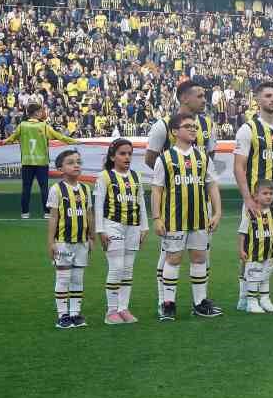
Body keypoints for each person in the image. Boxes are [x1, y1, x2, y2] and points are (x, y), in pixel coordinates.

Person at [153, 112, 223, 319]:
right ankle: (168, 304)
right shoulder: (165, 158)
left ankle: (199, 303)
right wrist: (156, 217)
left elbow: (211, 185)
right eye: (188, 126)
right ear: (174, 132)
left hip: (200, 217)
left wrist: (217, 213)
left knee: (199, 258)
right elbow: (156, 189)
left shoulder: (202, 157)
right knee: (173, 259)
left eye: (194, 126)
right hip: (173, 218)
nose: (193, 129)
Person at [96, 138, 146, 324]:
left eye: (129, 154)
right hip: (112, 225)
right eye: (122, 153)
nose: (127, 157)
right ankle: (111, 312)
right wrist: (100, 230)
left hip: (133, 227)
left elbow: (141, 203)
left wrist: (144, 227)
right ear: (112, 156)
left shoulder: (136, 176)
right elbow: (99, 205)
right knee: (116, 267)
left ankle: (123, 308)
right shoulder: (105, 177)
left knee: (127, 269)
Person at [233, 80, 273, 213]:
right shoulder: (248, 129)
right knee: (254, 234)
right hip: (256, 200)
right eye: (268, 96)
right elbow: (238, 167)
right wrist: (247, 198)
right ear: (257, 100)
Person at [48, 147, 93, 328]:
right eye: (71, 163)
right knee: (63, 278)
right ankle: (62, 315)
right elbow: (53, 217)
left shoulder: (85, 189)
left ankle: (75, 313)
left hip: (81, 242)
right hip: (63, 242)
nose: (76, 165)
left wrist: (91, 237)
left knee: (77, 279)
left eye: (78, 162)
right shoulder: (56, 189)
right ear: (60, 168)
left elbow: (89, 215)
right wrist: (51, 243)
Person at [17, 102, 75, 219]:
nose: (42, 113)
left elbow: (10, 138)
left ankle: (25, 213)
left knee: (26, 188)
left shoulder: (22, 126)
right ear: (36, 113)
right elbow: (60, 137)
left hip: (27, 162)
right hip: (41, 162)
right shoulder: (43, 126)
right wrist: (74, 141)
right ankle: (47, 212)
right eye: (40, 111)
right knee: (44, 188)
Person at [239, 179, 273, 313]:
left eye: (271, 193)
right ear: (255, 196)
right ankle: (251, 301)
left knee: (265, 276)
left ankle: (265, 300)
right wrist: (241, 249)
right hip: (253, 253)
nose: (269, 196)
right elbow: (242, 232)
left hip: (269, 252)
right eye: (265, 193)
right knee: (253, 275)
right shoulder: (250, 212)